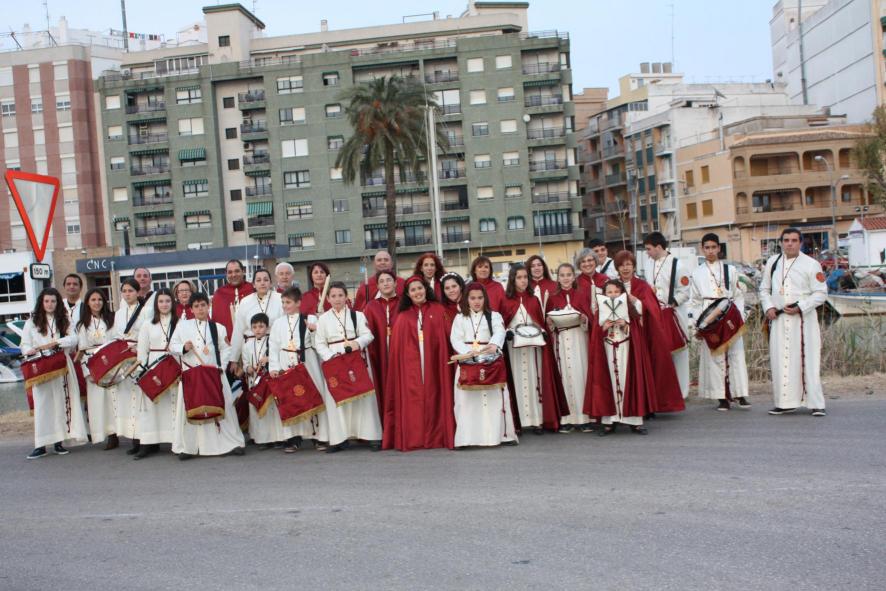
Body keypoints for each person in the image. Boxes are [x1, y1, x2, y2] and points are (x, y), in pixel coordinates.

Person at [759, 228, 828, 417]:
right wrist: (768, 307)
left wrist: (801, 307)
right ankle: (785, 403)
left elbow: (821, 293)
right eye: (786, 240)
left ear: (801, 243)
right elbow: (764, 289)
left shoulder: (811, 264)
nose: (790, 243)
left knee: (808, 360)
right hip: (779, 320)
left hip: (803, 320)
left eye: (794, 240)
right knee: (781, 360)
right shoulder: (773, 262)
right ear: (781, 242)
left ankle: (816, 403)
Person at [169, 292, 246, 459]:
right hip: (192, 375)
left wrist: (220, 367)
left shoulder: (218, 327)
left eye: (203, 305)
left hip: (213, 374)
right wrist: (183, 347)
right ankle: (189, 447)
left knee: (224, 406)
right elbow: (172, 346)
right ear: (191, 309)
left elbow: (226, 349)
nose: (200, 309)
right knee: (190, 409)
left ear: (208, 306)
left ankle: (230, 443)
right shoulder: (182, 326)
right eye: (196, 306)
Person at [383, 276, 456, 451]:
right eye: (413, 290)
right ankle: (415, 437)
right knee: (413, 398)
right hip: (410, 366)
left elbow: (448, 338)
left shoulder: (439, 310)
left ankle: (437, 436)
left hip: (435, 362)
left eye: (420, 288)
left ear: (426, 289)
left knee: (435, 393)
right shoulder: (402, 316)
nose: (417, 292)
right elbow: (397, 349)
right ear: (408, 294)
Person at [611, 250, 685, 414]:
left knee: (644, 369)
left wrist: (636, 301)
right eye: (622, 265)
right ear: (617, 267)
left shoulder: (642, 286)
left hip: (641, 334)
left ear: (634, 267)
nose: (625, 268)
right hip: (620, 334)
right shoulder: (613, 286)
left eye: (629, 264)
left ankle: (648, 405)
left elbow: (652, 309)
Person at [314, 282, 382, 452]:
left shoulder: (357, 315)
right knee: (337, 400)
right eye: (333, 296)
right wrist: (331, 357)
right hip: (334, 362)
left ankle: (371, 435)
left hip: (355, 360)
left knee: (363, 397)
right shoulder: (323, 319)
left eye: (340, 295)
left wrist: (356, 343)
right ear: (328, 299)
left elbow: (368, 335)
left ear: (346, 297)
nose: (337, 299)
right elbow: (319, 343)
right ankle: (339, 438)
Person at [500, 264, 568, 434]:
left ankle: (536, 420)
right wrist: (507, 333)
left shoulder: (533, 299)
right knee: (517, 382)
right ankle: (519, 422)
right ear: (513, 279)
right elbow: (502, 323)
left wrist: (543, 332)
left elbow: (539, 321)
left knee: (534, 381)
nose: (523, 281)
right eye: (519, 277)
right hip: (514, 349)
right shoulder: (506, 300)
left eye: (525, 277)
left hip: (533, 349)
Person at [22, 288, 88, 459]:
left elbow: (74, 339)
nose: (50, 304)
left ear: (58, 303)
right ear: (41, 302)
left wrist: (56, 343)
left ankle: (59, 442)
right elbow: (25, 344)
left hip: (61, 366)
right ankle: (41, 444)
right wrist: (30, 351)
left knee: (61, 404)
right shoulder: (32, 322)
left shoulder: (64, 319)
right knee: (42, 406)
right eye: (47, 301)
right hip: (41, 367)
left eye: (53, 301)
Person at [450, 282, 517, 448]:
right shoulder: (460, 318)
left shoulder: (494, 316)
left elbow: (500, 331)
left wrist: (494, 344)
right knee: (466, 401)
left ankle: (498, 436)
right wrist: (467, 352)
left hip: (489, 360)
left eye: (480, 298)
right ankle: (467, 438)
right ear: (466, 299)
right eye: (472, 298)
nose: (476, 301)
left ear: (485, 298)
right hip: (467, 361)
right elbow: (455, 338)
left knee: (494, 399)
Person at [689, 233, 750, 411]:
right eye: (707, 248)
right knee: (715, 356)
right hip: (709, 316)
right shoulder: (697, 273)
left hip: (729, 314)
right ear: (702, 249)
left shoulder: (730, 270)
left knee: (736, 354)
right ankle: (721, 396)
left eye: (713, 247)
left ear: (719, 248)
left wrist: (739, 317)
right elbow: (694, 301)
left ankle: (739, 394)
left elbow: (738, 295)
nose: (710, 251)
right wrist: (699, 324)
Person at [585, 280, 654, 435]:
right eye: (609, 292)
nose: (613, 295)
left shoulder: (629, 309)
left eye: (616, 292)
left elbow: (637, 332)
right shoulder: (600, 311)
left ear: (622, 293)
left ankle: (634, 421)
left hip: (626, 349)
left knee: (628, 381)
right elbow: (595, 334)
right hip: (608, 350)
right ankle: (609, 422)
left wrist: (626, 325)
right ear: (604, 294)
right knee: (608, 383)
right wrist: (603, 328)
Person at [268, 288, 327, 452]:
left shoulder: (310, 319)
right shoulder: (278, 323)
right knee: (290, 399)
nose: (285, 305)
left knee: (313, 395)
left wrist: (313, 331)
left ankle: (318, 435)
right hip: (285, 361)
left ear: (298, 303)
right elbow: (273, 346)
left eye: (288, 302)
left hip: (307, 361)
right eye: (283, 302)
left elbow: (318, 342)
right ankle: (293, 438)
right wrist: (274, 367)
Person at [544, 263, 593, 433]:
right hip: (561, 340)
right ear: (557, 278)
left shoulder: (582, 294)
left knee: (581, 374)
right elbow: (548, 323)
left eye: (568, 275)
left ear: (574, 277)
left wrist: (585, 319)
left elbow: (589, 318)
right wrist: (550, 323)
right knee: (564, 376)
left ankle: (585, 418)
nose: (565, 278)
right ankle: (567, 419)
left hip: (578, 338)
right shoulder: (552, 297)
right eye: (562, 275)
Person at [642, 232, 691, 398]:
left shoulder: (678, 265)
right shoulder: (649, 264)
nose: (647, 253)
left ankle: (682, 393)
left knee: (679, 352)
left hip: (674, 314)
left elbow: (685, 291)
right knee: (661, 353)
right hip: (655, 315)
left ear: (658, 247)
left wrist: (670, 304)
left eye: (648, 249)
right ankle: (665, 392)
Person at [133, 288, 178, 459]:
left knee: (173, 405)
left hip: (172, 366)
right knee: (151, 407)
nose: (164, 304)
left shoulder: (180, 323)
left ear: (172, 303)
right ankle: (149, 443)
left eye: (167, 301)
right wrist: (142, 371)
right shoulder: (147, 324)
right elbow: (142, 350)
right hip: (153, 367)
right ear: (156, 304)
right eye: (161, 301)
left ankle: (176, 441)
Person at [110, 278, 152, 455]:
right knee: (128, 400)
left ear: (137, 292)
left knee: (141, 399)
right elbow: (115, 335)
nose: (127, 294)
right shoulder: (119, 313)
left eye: (131, 291)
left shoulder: (146, 310)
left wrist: (139, 348)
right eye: (125, 291)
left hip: (139, 355)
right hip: (124, 357)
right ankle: (135, 439)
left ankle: (147, 441)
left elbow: (149, 333)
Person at [76, 288, 117, 449]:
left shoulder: (111, 320)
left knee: (113, 400)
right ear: (87, 302)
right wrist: (88, 372)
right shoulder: (83, 325)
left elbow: (115, 341)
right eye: (93, 300)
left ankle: (115, 433)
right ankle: (104, 434)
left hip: (110, 362)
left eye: (99, 299)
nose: (97, 302)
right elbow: (82, 349)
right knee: (98, 402)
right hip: (92, 364)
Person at [230, 269, 284, 370]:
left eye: (266, 280)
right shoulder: (245, 302)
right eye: (258, 280)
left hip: (275, 348)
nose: (262, 283)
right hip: (251, 349)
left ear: (271, 283)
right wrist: (234, 359)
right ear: (254, 284)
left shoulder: (280, 299)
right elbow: (238, 330)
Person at [363, 270, 400, 417]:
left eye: (389, 280)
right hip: (379, 354)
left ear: (395, 283)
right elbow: (366, 331)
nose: (386, 283)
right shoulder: (371, 306)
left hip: (400, 354)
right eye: (382, 281)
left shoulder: (404, 303)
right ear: (377, 286)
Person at [210, 260, 255, 341]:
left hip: (252, 341)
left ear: (243, 271)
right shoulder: (219, 294)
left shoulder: (253, 289)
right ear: (226, 274)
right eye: (230, 272)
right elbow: (215, 322)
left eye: (237, 271)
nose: (233, 275)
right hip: (228, 343)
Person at [60, 273, 87, 406]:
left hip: (80, 357)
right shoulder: (57, 307)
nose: (72, 287)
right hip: (61, 356)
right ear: (64, 287)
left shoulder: (86, 308)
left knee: (82, 392)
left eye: (75, 284)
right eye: (68, 284)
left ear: (80, 287)